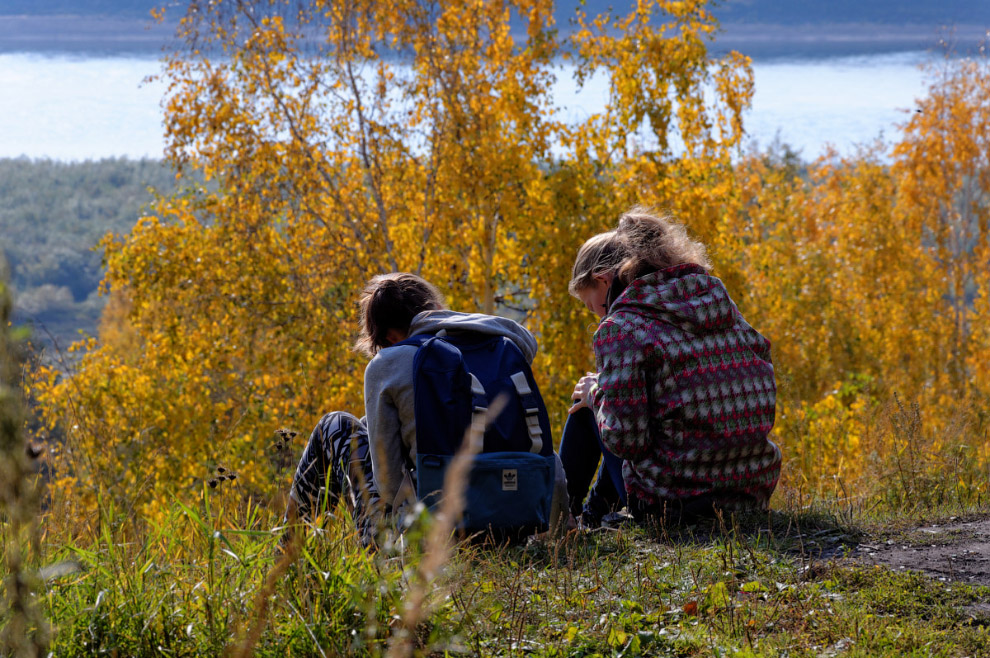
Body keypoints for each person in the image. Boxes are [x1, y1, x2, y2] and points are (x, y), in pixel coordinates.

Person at [284, 272, 567, 544]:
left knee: (337, 424)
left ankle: (285, 549)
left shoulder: (390, 362)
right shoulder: (505, 347)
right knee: (365, 424)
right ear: (435, 308)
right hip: (511, 526)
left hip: (424, 538)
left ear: (390, 335)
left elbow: (389, 484)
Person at [561, 208, 781, 526]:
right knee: (607, 396)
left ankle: (558, 520)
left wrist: (597, 393)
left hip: (673, 503)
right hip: (751, 488)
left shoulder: (622, 326)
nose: (598, 316)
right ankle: (592, 516)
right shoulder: (716, 301)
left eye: (591, 305)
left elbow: (626, 441)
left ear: (603, 279)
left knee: (587, 402)